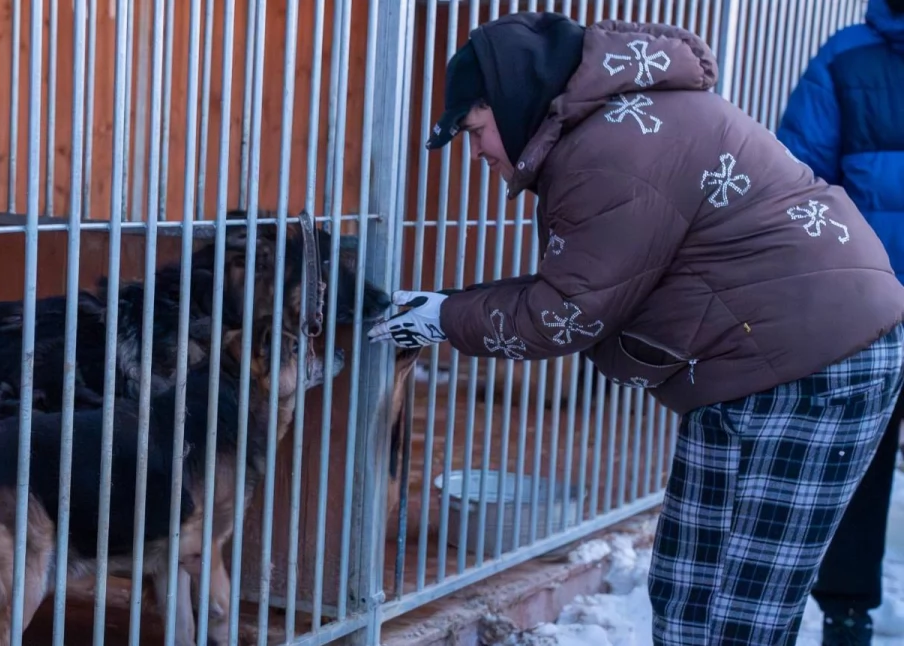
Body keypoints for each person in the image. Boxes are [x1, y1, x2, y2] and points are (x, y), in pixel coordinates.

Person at [367, 11, 904, 646]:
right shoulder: (611, 129)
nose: (476, 151)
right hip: (744, 358)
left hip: (822, 361)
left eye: (476, 130)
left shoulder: (613, 150)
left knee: (744, 610)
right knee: (686, 587)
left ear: (511, 103)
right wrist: (447, 307)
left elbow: (562, 315)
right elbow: (579, 288)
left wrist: (439, 318)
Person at [777, 0, 904, 643]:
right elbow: (800, 181)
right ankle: (846, 617)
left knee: (860, 455)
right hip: (867, 303)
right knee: (860, 456)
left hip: (867, 300)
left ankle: (846, 616)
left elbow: (799, 179)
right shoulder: (847, 54)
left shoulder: (848, 53)